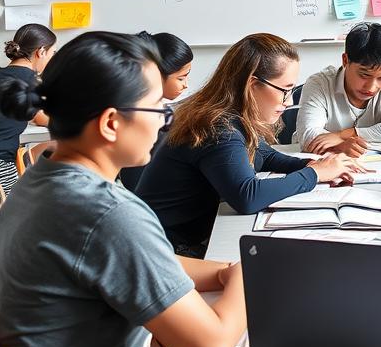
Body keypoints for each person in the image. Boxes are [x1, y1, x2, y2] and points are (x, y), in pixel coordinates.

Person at [0, 31, 247, 347]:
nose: (163, 124)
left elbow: (132, 259)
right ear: (112, 122)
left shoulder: (43, 178)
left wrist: (222, 274)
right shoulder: (106, 212)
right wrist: (251, 275)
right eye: (158, 109)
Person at [136, 33, 358, 257]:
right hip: (163, 250)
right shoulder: (219, 127)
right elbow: (247, 197)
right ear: (252, 84)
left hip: (188, 237)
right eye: (285, 90)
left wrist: (314, 165)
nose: (289, 101)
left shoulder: (233, 115)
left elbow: (266, 156)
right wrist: (314, 174)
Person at [296, 22, 381, 156]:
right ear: (345, 60)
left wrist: (342, 135)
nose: (371, 87)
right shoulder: (319, 84)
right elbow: (308, 136)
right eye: (364, 75)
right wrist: (340, 146)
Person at [119, 31, 193, 193]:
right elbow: (135, 181)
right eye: (181, 78)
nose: (186, 85)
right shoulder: (145, 119)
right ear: (156, 75)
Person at [0, 23, 55, 192]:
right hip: (1, 168)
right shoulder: (30, 81)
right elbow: (40, 118)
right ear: (41, 51)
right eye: (52, 54)